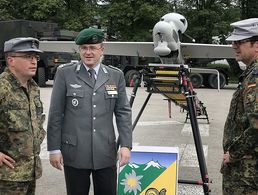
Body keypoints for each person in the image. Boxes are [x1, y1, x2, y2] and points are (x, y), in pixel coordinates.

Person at [47, 28, 132, 195]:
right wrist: (54, 149)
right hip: (74, 151)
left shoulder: (115, 76)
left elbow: (123, 112)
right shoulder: (65, 73)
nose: (88, 52)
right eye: (84, 48)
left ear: (102, 50)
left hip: (105, 151)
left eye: (93, 48)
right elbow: (56, 113)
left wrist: (126, 145)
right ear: (79, 50)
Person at [0, 37, 46, 194]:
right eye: (28, 57)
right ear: (11, 60)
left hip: (29, 172)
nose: (34, 62)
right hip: (6, 176)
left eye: (35, 57)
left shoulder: (33, 88)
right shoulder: (2, 87)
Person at [221, 18, 258, 194]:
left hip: (246, 172)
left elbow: (257, 124)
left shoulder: (255, 77)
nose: (234, 46)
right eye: (233, 42)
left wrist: (234, 153)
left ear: (256, 45)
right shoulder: (251, 73)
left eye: (240, 42)